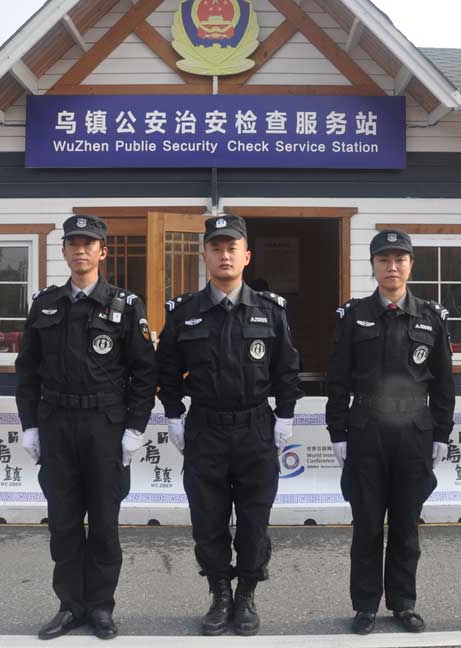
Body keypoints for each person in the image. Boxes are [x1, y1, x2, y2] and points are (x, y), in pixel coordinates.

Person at [156, 214, 302, 637]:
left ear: (246, 256)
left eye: (231, 248)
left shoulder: (269, 310)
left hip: (256, 427)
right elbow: (166, 369)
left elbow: (287, 368)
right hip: (206, 428)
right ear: (204, 256)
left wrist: (286, 414)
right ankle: (220, 594)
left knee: (254, 521)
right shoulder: (184, 312)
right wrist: (173, 415)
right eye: (216, 248)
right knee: (209, 520)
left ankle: (247, 595)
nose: (224, 255)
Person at [15, 214, 156, 640]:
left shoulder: (125, 306)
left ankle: (100, 606)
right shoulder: (45, 304)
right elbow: (27, 371)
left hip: (104, 427)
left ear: (102, 252)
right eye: (73, 243)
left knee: (105, 524)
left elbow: (144, 373)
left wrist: (134, 428)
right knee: (63, 522)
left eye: (89, 243)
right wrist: (29, 425)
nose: (81, 250)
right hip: (57, 425)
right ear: (63, 251)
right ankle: (70, 605)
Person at [325, 229, 455, 635]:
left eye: (400, 259)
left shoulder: (431, 317)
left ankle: (403, 603)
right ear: (374, 266)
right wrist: (338, 432)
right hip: (366, 430)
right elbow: (337, 378)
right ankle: (365, 605)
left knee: (406, 525)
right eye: (384, 259)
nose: (392, 267)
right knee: (366, 524)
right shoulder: (354, 316)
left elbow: (444, 383)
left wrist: (441, 433)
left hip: (413, 432)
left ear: (411, 265)